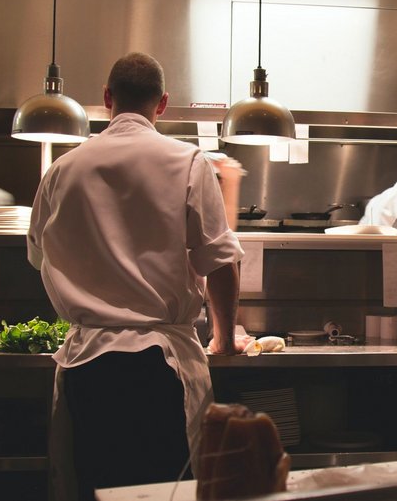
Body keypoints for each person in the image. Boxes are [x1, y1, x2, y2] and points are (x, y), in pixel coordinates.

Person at [26, 52, 244, 501]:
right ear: (162, 103)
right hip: (159, 367)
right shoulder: (187, 161)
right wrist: (223, 340)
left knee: (96, 489)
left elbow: (38, 256)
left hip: (87, 366)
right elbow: (221, 261)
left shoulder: (62, 169)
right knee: (166, 493)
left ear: (107, 98)